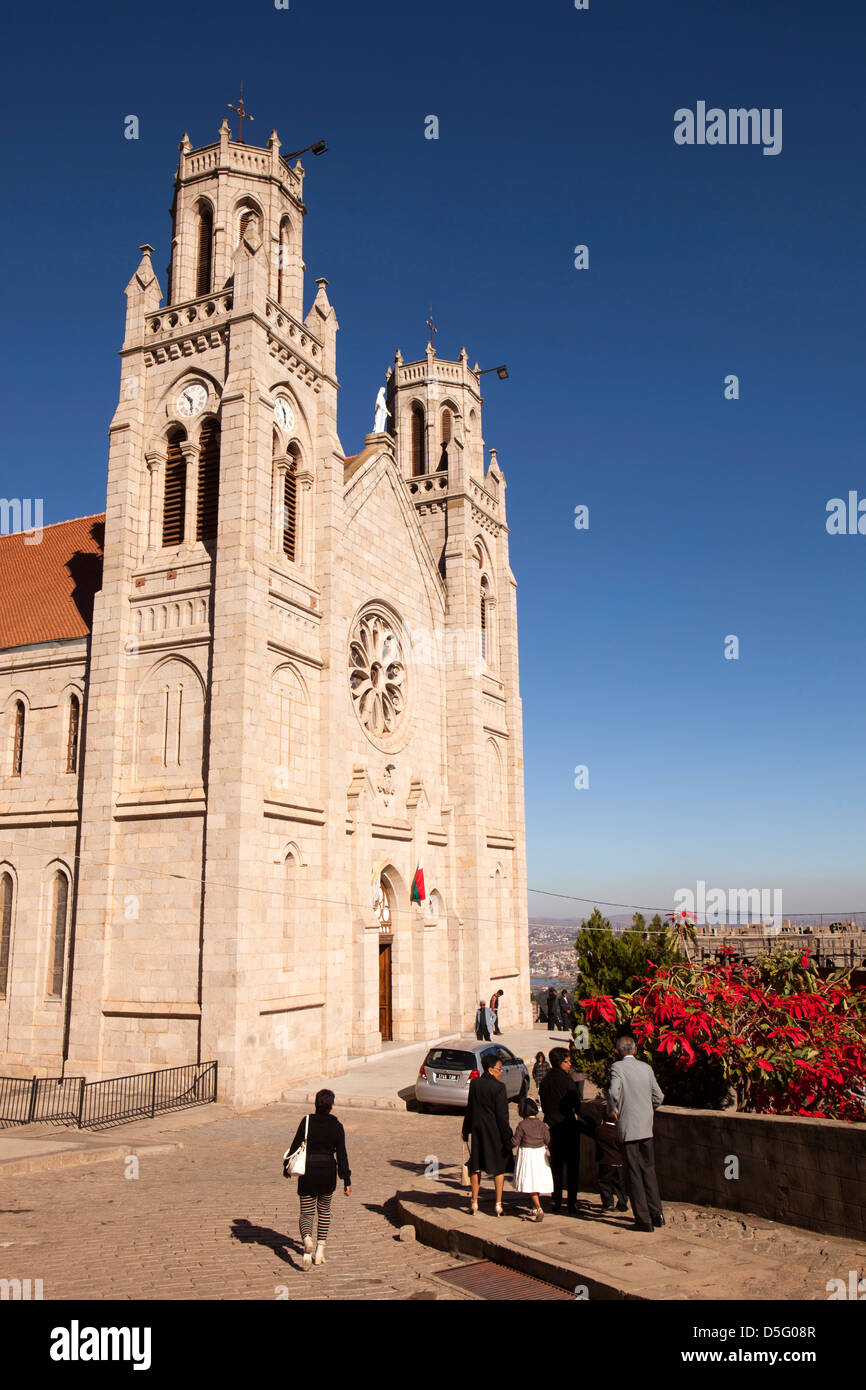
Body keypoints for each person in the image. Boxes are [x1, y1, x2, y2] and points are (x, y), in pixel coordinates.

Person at [287, 1088, 351, 1270]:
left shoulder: (306, 1122)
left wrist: (286, 1167)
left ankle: (307, 1239)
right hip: (328, 1173)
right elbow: (342, 1155)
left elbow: (294, 1147)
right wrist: (346, 1180)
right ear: (331, 1106)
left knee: (306, 1213)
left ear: (316, 1104)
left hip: (308, 1172)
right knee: (324, 1212)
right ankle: (320, 1252)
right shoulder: (337, 1126)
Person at [607, 1036, 665, 1232]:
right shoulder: (646, 1068)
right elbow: (659, 1095)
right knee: (649, 1171)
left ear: (618, 1051)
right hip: (645, 1126)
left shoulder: (617, 1068)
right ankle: (657, 1214)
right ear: (635, 1049)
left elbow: (613, 1092)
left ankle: (643, 1219)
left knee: (634, 1174)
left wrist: (613, 1109)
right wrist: (648, 1110)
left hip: (629, 1127)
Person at [538, 1047, 589, 1215]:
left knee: (557, 1166)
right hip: (567, 1126)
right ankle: (572, 1202)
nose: (570, 1064)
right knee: (572, 1165)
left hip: (552, 1127)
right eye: (567, 1061)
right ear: (560, 1062)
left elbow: (544, 1105)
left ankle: (556, 1199)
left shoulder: (545, 1081)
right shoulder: (567, 1081)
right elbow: (577, 1105)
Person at [462, 1052, 513, 1216]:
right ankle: (498, 1204)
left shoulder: (475, 1083)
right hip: (495, 1132)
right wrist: (508, 1136)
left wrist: (465, 1130)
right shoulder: (499, 1088)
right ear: (491, 1070)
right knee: (498, 1168)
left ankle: (474, 1202)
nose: (501, 1071)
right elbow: (502, 1116)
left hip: (478, 1131)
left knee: (476, 1166)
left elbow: (470, 1108)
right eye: (499, 1068)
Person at [511, 1095, 553, 1220]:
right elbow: (548, 1140)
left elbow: (515, 1142)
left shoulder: (522, 1125)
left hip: (527, 1154)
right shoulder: (542, 1125)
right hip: (540, 1154)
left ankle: (538, 1208)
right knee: (536, 1181)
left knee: (530, 1182)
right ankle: (535, 1207)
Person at [594, 1108, 629, 1212]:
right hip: (618, 1161)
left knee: (604, 1182)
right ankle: (623, 1203)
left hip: (605, 1161)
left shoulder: (599, 1130)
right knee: (619, 1184)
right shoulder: (618, 1131)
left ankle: (608, 1203)